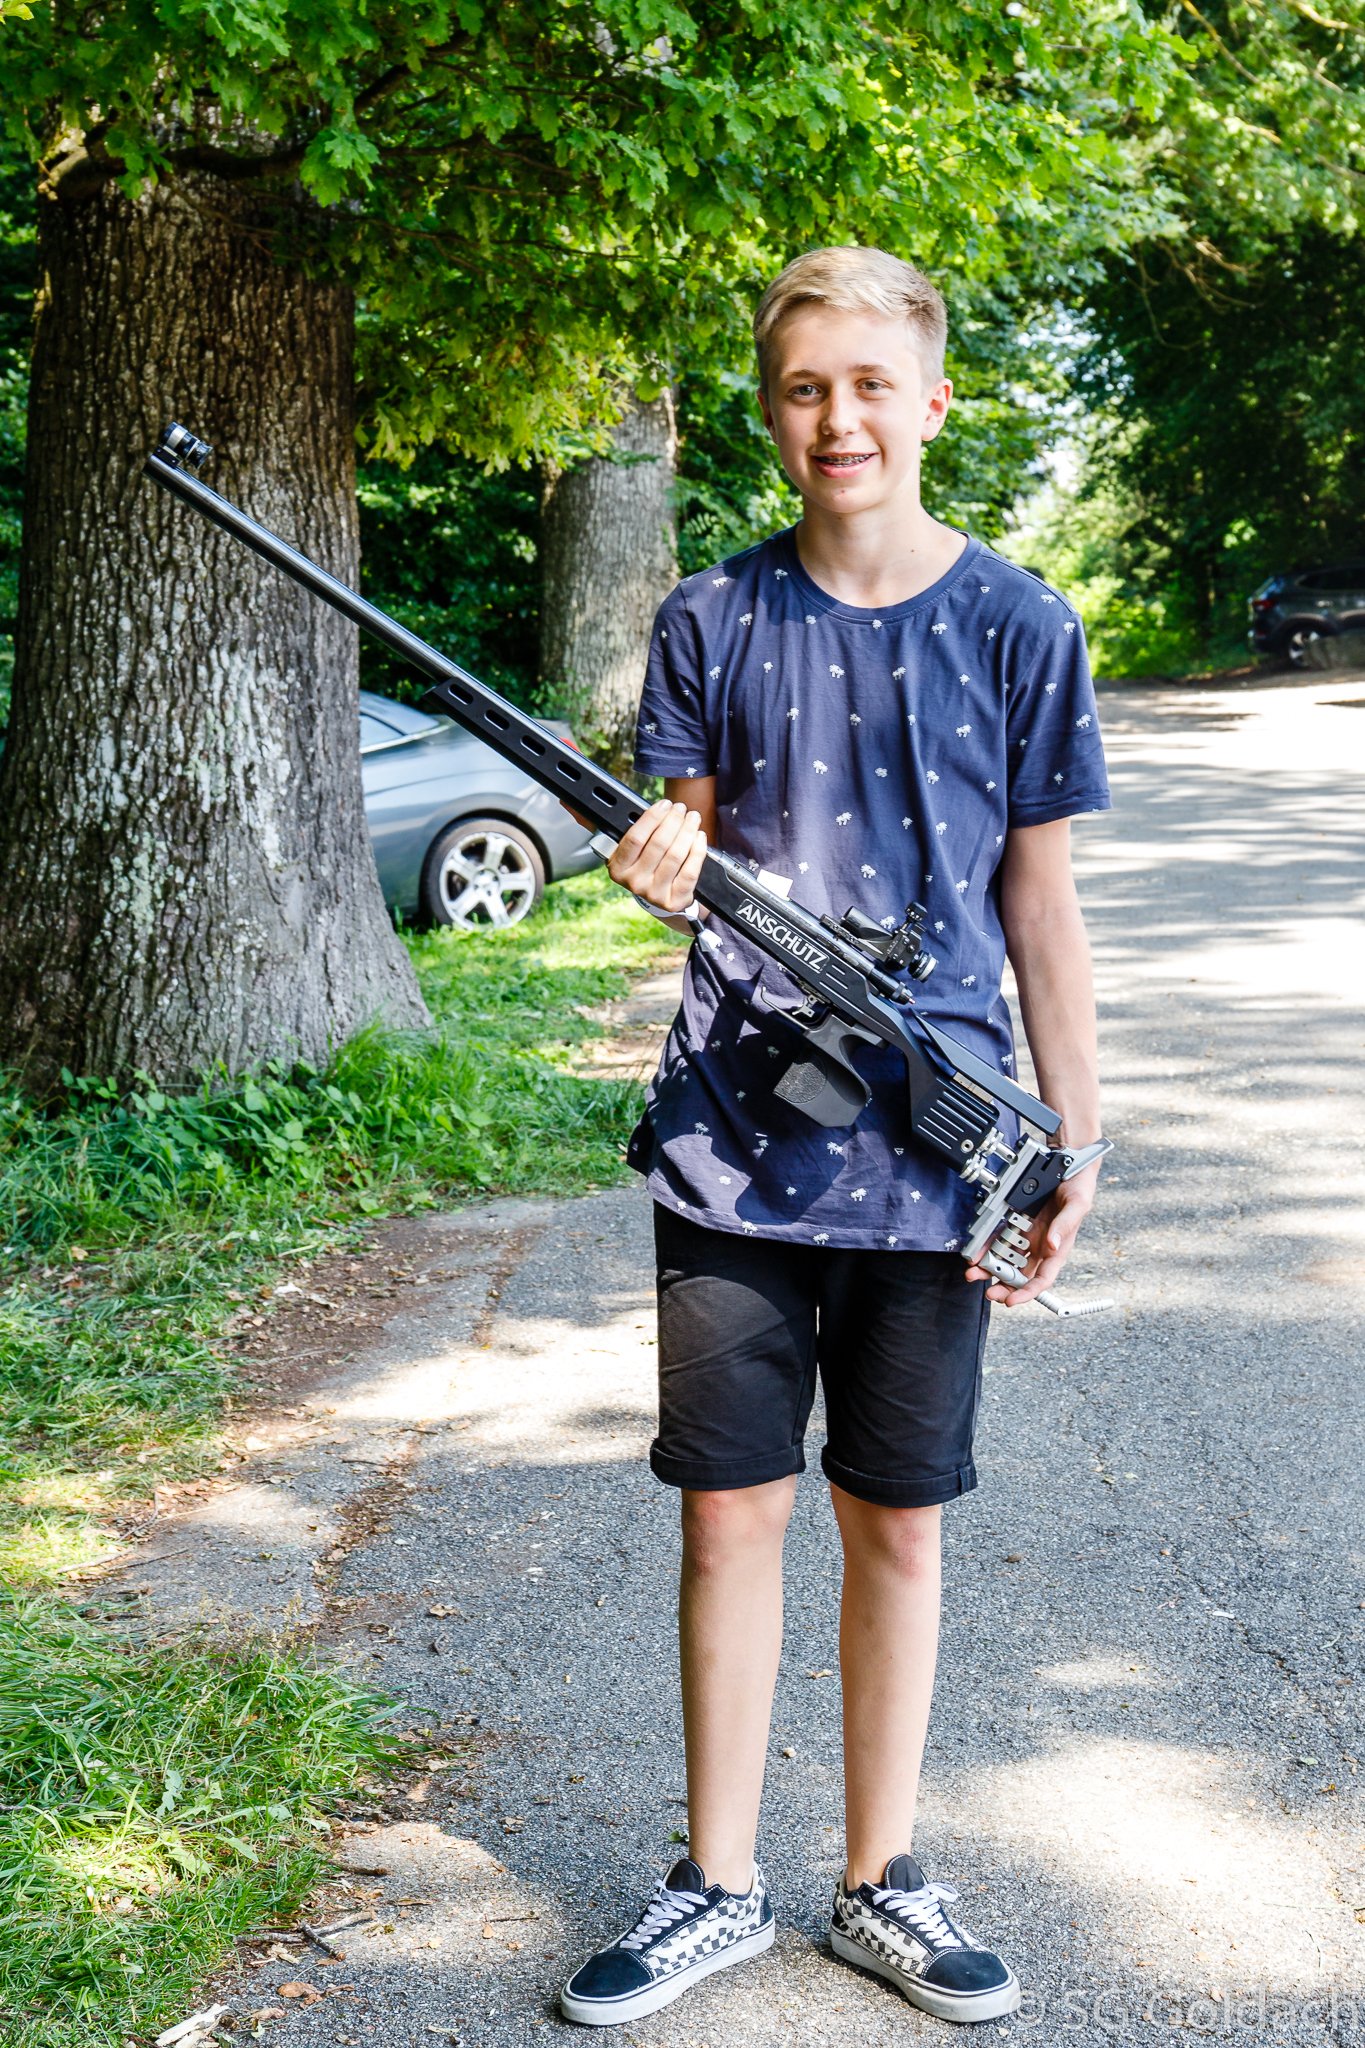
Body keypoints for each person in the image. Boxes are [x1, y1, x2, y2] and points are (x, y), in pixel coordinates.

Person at [558, 245, 1110, 2029]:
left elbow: (1040, 910)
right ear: (769, 414)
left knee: (899, 1523)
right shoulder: (710, 618)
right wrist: (658, 867)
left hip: (936, 1161)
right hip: (734, 1140)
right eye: (804, 389)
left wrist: (1074, 1142)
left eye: (869, 384)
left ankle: (881, 1883)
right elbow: (693, 859)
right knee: (729, 1519)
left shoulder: (1019, 623)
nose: (838, 418)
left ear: (932, 400)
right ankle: (714, 1885)